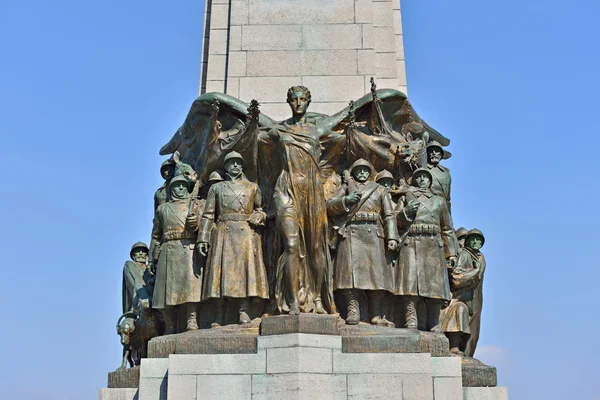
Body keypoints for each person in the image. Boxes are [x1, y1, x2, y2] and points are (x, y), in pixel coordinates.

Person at [259, 86, 335, 315]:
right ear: (288, 102)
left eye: (303, 99)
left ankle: (319, 298)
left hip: (312, 191)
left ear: (309, 102)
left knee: (315, 248)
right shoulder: (279, 130)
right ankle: (293, 300)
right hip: (285, 190)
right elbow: (255, 127)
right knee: (291, 245)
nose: (299, 103)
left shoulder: (319, 128)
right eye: (294, 99)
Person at [198, 152, 269, 325]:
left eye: (238, 163)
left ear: (242, 166)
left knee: (245, 273)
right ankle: (220, 313)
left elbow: (261, 209)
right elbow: (208, 215)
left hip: (245, 233)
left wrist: (260, 216)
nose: (235, 166)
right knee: (221, 274)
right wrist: (203, 238)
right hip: (224, 232)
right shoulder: (217, 189)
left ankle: (244, 311)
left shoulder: (252, 187)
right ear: (226, 167)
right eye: (232, 163)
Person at [327, 159, 398, 326]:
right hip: (351, 234)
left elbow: (389, 215)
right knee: (349, 277)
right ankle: (353, 310)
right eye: (358, 169)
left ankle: (376, 314)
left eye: (365, 169)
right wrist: (345, 200)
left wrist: (392, 237)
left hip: (374, 235)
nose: (362, 173)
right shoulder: (345, 188)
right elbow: (329, 206)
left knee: (376, 278)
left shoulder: (379, 189)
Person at [395, 168, 458, 332]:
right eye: (419, 177)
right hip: (412, 242)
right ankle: (411, 319)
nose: (422, 180)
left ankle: (434, 321)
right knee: (410, 284)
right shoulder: (406, 197)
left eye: (425, 177)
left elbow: (447, 229)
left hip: (432, 245)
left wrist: (451, 253)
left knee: (434, 286)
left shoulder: (439, 201)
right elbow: (394, 220)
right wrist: (405, 212)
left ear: (430, 181)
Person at [151, 175, 202, 334]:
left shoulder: (193, 206)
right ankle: (170, 324)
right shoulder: (163, 209)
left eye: (183, 186)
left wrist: (197, 223)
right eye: (177, 186)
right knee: (165, 292)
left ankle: (191, 318)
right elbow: (155, 235)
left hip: (188, 248)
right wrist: (153, 257)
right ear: (171, 189)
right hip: (168, 250)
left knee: (191, 288)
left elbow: (205, 226)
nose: (180, 188)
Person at [440, 229, 486, 356]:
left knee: (474, 334)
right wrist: (476, 272)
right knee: (460, 313)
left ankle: (465, 352)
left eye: (478, 240)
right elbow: (457, 278)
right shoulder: (464, 254)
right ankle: (455, 347)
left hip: (474, 300)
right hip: (459, 298)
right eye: (471, 239)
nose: (475, 242)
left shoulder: (480, 257)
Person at [122, 242, 152, 314]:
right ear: (133, 255)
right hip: (137, 305)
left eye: (143, 251)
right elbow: (136, 281)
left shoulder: (151, 268)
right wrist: (144, 298)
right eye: (138, 251)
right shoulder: (130, 265)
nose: (141, 253)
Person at [426, 141, 451, 212]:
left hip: (442, 209)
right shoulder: (423, 169)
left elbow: (448, 199)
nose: (434, 153)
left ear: (441, 155)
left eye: (437, 151)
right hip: (428, 207)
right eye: (431, 151)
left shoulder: (446, 173)